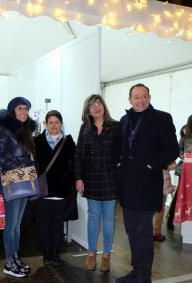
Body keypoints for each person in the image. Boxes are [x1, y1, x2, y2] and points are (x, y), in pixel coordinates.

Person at [116, 83, 179, 283]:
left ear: (149, 98)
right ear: (130, 100)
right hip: (127, 185)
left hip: (147, 184)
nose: (141, 100)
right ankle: (136, 272)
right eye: (136, 97)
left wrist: (153, 164)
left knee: (143, 232)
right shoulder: (124, 120)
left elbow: (172, 150)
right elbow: (123, 147)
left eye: (144, 96)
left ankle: (144, 276)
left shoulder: (162, 118)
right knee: (131, 230)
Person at [74, 94, 120, 273]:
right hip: (91, 177)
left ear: (104, 106)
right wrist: (78, 178)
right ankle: (91, 253)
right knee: (94, 215)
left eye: (99, 103)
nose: (96, 107)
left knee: (108, 217)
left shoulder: (116, 126)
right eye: (92, 105)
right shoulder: (84, 128)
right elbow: (78, 155)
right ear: (88, 111)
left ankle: (106, 255)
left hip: (111, 177)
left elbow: (124, 149)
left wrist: (120, 162)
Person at [0, 97, 37, 278]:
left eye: (26, 109)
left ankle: (15, 256)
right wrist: (21, 165)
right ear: (13, 111)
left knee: (17, 225)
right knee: (11, 225)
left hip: (24, 181)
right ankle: (9, 262)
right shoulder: (5, 131)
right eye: (20, 109)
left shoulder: (24, 131)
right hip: (12, 181)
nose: (23, 112)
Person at [34, 110, 76, 266]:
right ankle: (46, 252)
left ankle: (55, 253)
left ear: (61, 124)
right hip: (43, 189)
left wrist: (69, 182)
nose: (53, 125)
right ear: (45, 124)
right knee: (44, 223)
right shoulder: (36, 141)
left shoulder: (68, 142)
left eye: (56, 122)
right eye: (50, 122)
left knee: (58, 224)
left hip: (60, 190)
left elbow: (74, 165)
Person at [152, 161, 176, 242]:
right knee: (160, 207)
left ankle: (146, 230)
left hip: (148, 178)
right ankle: (156, 232)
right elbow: (172, 165)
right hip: (161, 179)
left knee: (148, 207)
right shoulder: (165, 149)